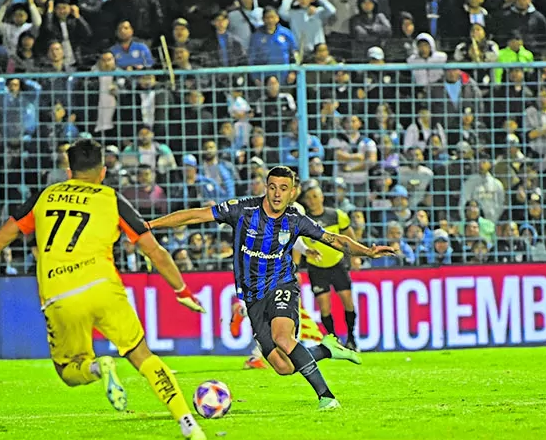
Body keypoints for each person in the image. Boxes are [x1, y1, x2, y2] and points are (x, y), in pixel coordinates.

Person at [0, 139, 210, 440]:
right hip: (102, 286)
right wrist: (182, 290)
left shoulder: (45, 197)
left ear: (69, 171)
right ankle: (187, 422)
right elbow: (155, 252)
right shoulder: (111, 198)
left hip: (58, 293)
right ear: (103, 171)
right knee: (141, 354)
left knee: (68, 372)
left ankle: (97, 366)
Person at [148, 166, 397, 410]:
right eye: (273, 187)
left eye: (284, 189)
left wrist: (367, 251)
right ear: (266, 188)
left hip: (282, 284)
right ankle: (325, 349)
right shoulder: (242, 210)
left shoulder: (296, 220)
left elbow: (335, 240)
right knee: (284, 366)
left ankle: (327, 397)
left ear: (292, 193)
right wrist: (150, 226)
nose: (277, 194)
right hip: (253, 297)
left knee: (282, 337)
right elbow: (196, 215)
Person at [296, 181, 361, 351]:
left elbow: (349, 236)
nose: (312, 200)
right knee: (324, 307)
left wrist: (355, 257)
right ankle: (334, 340)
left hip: (337, 264)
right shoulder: (304, 221)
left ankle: (352, 338)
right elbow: (297, 244)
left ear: (322, 197)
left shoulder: (337, 215)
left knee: (348, 301)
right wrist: (294, 268)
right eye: (308, 198)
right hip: (316, 268)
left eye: (315, 196)